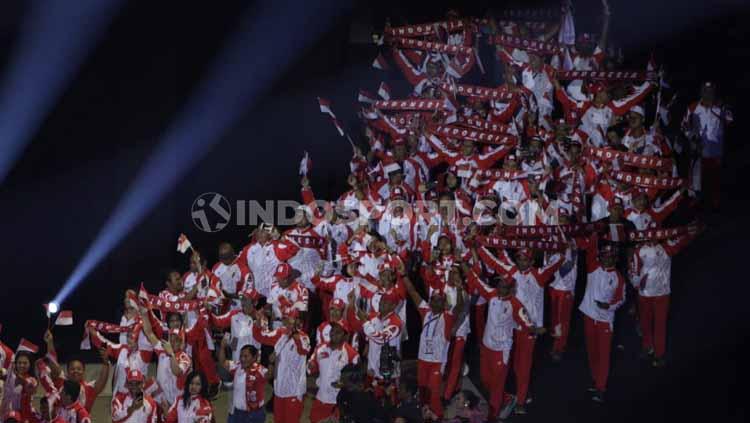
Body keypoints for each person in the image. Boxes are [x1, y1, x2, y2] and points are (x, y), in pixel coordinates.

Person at [467, 271, 540, 421]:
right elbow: (476, 281)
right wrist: (464, 264)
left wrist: (535, 330)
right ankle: (507, 398)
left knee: (497, 385)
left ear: (511, 289)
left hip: (501, 351)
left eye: (504, 285)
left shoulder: (515, 305)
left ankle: (493, 416)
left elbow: (526, 323)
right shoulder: (492, 294)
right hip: (487, 347)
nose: (500, 287)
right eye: (499, 284)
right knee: (485, 380)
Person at [629, 227, 698, 366]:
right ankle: (647, 347)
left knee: (660, 324)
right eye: (650, 235)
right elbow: (633, 272)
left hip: (662, 293)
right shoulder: (638, 250)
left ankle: (659, 354)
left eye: (655, 234)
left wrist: (692, 231)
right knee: (645, 322)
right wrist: (637, 285)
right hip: (645, 294)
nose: (652, 238)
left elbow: (684, 240)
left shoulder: (667, 247)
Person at [401, 275, 463, 420]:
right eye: (434, 299)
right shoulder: (426, 312)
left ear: (444, 303)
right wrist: (404, 275)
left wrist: (459, 290)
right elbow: (412, 292)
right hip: (423, 359)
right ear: (430, 301)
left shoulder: (447, 318)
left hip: (437, 362)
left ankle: (439, 417)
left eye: (440, 300)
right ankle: (426, 417)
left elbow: (459, 307)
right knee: (423, 394)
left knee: (434, 394)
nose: (436, 302)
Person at [579, 235, 626, 402]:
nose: (607, 259)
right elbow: (591, 250)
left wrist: (609, 306)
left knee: (604, 354)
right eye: (604, 256)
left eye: (610, 256)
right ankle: (595, 379)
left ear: (615, 258)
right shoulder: (593, 267)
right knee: (592, 352)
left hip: (605, 321)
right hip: (589, 316)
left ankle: (601, 387)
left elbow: (621, 299)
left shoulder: (619, 278)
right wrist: (593, 233)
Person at [681, 81, 733, 211]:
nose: (707, 93)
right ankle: (695, 202)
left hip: (716, 151)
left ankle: (715, 204)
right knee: (696, 178)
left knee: (715, 179)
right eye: (705, 90)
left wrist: (721, 108)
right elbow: (683, 125)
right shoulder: (693, 107)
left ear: (714, 92)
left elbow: (730, 121)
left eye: (710, 91)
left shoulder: (720, 107)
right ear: (701, 92)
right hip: (698, 150)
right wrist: (692, 136)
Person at [252, 310, 310, 423]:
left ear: (298, 322)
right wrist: (258, 323)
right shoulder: (280, 333)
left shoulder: (304, 337)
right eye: (285, 319)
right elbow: (260, 336)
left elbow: (304, 349)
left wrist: (293, 332)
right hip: (279, 389)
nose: (286, 322)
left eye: (290, 320)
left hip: (294, 390)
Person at [139, 306, 192, 414]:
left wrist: (171, 354)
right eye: (171, 339)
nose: (173, 342)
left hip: (176, 404)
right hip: (160, 400)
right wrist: (144, 313)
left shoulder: (185, 358)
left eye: (177, 340)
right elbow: (149, 333)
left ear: (182, 343)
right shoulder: (162, 349)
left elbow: (176, 372)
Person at [41, 330, 110, 412]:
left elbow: (102, 381)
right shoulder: (61, 383)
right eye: (72, 369)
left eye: (79, 369)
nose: (75, 371)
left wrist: (106, 362)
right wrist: (50, 342)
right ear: (67, 371)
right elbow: (53, 363)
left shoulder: (89, 388)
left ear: (84, 371)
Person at [307, 323, 360, 423]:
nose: (333, 334)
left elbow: (357, 382)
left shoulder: (352, 355)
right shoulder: (320, 348)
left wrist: (345, 384)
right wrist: (311, 366)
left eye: (338, 332)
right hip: (320, 398)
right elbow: (311, 366)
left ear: (345, 336)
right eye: (332, 330)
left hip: (337, 403)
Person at [217, 343, 269, 423]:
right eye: (241, 356)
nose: (242, 359)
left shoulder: (260, 370)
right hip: (237, 413)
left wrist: (272, 362)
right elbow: (222, 362)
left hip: (254, 414)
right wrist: (222, 346)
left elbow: (270, 375)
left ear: (254, 357)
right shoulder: (237, 366)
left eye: (246, 356)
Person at [0, 351, 38, 422]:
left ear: (30, 364)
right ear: (15, 364)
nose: (21, 365)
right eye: (19, 363)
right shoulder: (10, 376)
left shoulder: (32, 380)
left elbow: (30, 387)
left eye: (25, 363)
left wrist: (16, 374)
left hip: (24, 417)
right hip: (6, 415)